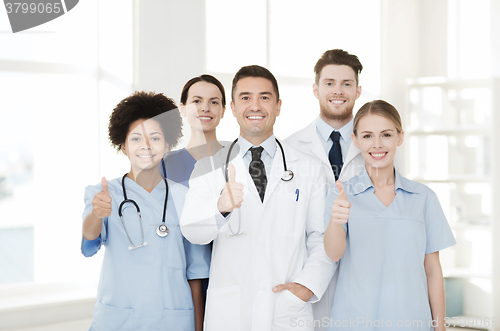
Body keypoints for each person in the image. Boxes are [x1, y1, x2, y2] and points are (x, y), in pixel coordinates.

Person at [180, 65, 335, 331]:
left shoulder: (310, 168)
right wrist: (221, 208)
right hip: (231, 313)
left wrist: (307, 286)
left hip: (287, 310)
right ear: (233, 106)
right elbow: (192, 230)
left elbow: (322, 237)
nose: (255, 106)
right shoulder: (209, 166)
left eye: (264, 97)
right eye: (245, 98)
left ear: (278, 106)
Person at [81, 91, 210, 331]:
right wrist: (97, 214)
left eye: (155, 138)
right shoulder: (103, 193)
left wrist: (199, 327)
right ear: (123, 146)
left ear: (168, 144)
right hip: (119, 319)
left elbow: (196, 271)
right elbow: (89, 244)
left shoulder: (186, 196)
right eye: (136, 139)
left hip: (173, 319)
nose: (146, 146)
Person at [324, 100, 455, 330]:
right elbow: (333, 254)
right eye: (367, 136)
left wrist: (440, 326)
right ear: (355, 140)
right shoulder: (341, 194)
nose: (377, 145)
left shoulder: (423, 198)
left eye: (386, 134)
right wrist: (337, 221)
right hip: (355, 321)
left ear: (399, 137)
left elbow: (433, 270)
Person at [285, 49, 364, 330]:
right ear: (316, 89)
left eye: (347, 84)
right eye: (329, 83)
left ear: (358, 90)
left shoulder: (375, 147)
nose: (338, 91)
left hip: (360, 277)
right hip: (306, 281)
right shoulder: (289, 149)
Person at [161, 74, 226, 187]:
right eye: (197, 101)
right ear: (183, 109)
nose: (205, 108)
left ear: (223, 111)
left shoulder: (237, 160)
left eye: (214, 102)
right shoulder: (165, 165)